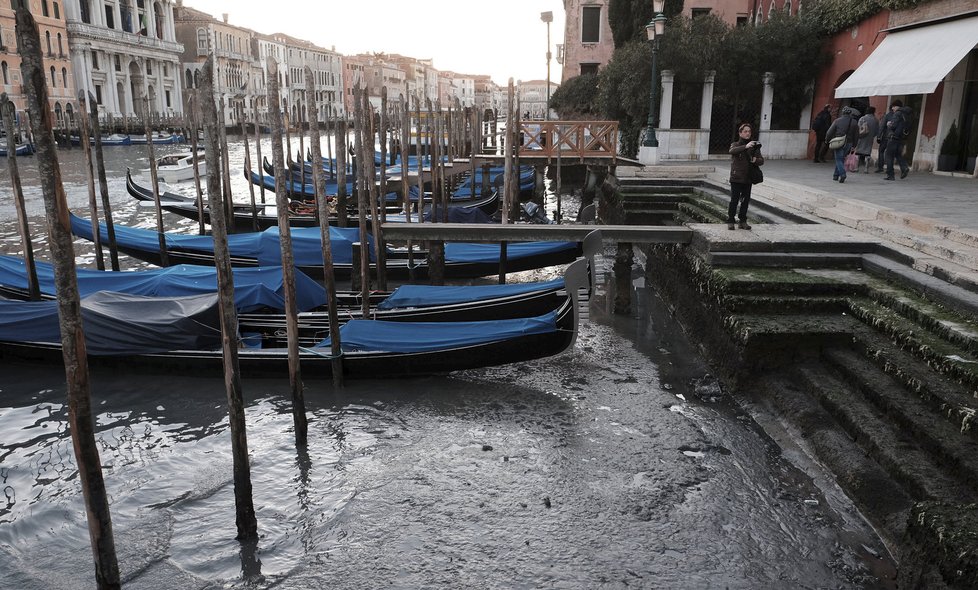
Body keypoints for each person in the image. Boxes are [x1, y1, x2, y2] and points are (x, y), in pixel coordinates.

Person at [727, 123, 764, 230]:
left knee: (745, 201)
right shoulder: (735, 144)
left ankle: (742, 221)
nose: (748, 133)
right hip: (736, 178)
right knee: (734, 200)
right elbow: (732, 151)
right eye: (745, 131)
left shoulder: (755, 146)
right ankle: (730, 220)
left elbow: (761, 161)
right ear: (740, 133)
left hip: (748, 178)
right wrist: (745, 146)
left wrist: (755, 160)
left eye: (749, 131)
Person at [824, 106, 860, 183]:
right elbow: (856, 135)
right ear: (850, 113)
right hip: (849, 143)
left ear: (842, 113)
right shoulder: (854, 122)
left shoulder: (837, 121)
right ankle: (835, 175)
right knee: (841, 159)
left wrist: (827, 140)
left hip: (839, 142)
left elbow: (829, 132)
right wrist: (854, 145)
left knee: (838, 159)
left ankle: (842, 174)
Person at [884, 105, 914, 180]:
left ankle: (890, 175)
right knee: (898, 154)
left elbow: (893, 126)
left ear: (897, 107)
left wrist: (889, 125)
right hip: (901, 138)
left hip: (893, 137)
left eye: (893, 107)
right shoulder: (908, 115)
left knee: (889, 156)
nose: (892, 109)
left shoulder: (898, 113)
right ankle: (904, 167)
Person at [875, 100, 903, 173]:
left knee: (881, 151)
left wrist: (878, 136)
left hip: (886, 136)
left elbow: (882, 126)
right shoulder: (901, 115)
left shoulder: (888, 115)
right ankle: (889, 168)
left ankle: (880, 167)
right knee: (891, 154)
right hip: (895, 137)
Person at [855, 106, 879, 173]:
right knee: (867, 153)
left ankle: (856, 167)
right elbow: (877, 131)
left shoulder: (862, 118)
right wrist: (872, 135)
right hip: (870, 138)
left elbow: (858, 128)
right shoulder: (875, 120)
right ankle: (866, 168)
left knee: (858, 152)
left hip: (861, 137)